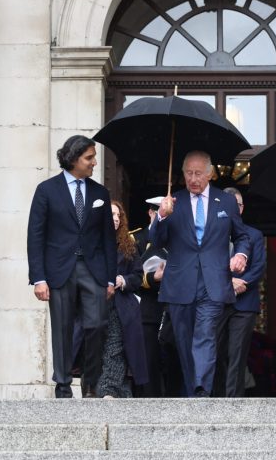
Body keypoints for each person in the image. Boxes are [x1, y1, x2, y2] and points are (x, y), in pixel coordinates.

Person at [150, 150, 251, 397]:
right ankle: (194, 391)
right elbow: (156, 240)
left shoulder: (225, 202)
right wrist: (162, 216)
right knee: (184, 343)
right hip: (180, 282)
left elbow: (242, 236)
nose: (193, 178)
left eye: (198, 173)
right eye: (188, 173)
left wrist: (240, 255)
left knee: (205, 334)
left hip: (213, 282)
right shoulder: (174, 201)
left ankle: (202, 389)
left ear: (209, 174)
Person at [26, 135, 116, 398]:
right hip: (59, 270)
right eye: (89, 157)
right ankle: (63, 384)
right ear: (73, 158)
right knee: (62, 327)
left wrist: (110, 278)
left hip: (94, 270)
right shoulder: (46, 190)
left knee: (97, 324)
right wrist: (38, 278)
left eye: (94, 157)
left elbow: (108, 239)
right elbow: (35, 235)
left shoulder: (101, 193)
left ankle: (91, 383)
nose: (94, 163)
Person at [214, 187, 266, 398]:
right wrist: (227, 283)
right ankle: (216, 398)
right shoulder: (212, 233)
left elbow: (259, 266)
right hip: (216, 302)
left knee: (237, 354)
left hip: (244, 304)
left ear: (242, 209)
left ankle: (233, 401)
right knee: (214, 353)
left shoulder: (254, 235)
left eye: (238, 205)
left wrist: (240, 282)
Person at [99, 201, 149, 398]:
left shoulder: (129, 245)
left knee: (116, 346)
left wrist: (123, 280)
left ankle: (108, 390)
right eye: (111, 214)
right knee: (97, 348)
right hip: (95, 303)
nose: (116, 219)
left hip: (121, 306)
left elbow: (138, 276)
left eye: (118, 215)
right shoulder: (89, 242)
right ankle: (120, 391)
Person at [133, 196, 171, 397]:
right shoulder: (136, 239)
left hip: (172, 306)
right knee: (148, 361)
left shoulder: (176, 237)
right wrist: (152, 277)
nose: (162, 216)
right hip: (147, 307)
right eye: (157, 212)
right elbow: (129, 275)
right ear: (150, 213)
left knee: (172, 360)